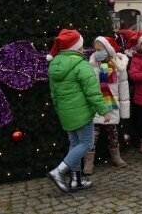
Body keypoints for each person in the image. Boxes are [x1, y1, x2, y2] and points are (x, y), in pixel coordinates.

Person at [47, 29, 111, 193]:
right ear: (77, 48)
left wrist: (60, 109)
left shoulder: (54, 64)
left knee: (75, 144)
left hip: (65, 113)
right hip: (81, 113)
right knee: (86, 143)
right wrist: (104, 110)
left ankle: (76, 180)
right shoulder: (81, 65)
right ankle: (59, 171)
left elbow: (53, 93)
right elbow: (92, 92)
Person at [82, 36, 131, 175]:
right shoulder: (91, 66)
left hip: (112, 106)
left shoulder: (119, 67)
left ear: (109, 50)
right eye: (95, 50)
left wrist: (124, 111)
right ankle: (88, 162)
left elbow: (123, 88)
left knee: (112, 133)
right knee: (92, 135)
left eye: (101, 50)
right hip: (96, 106)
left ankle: (116, 156)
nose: (98, 52)